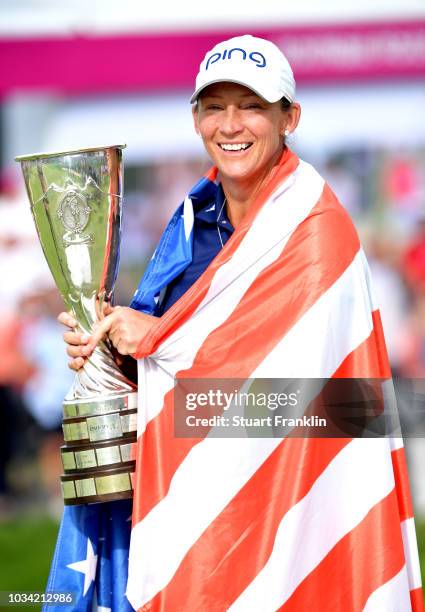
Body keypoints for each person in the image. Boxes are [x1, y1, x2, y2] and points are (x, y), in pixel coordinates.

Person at [50, 35, 423, 611]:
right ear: (195, 118)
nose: (231, 124)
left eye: (251, 106)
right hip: (194, 506)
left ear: (289, 117)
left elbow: (321, 405)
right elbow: (171, 353)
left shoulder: (318, 232)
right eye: (214, 106)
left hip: (294, 504)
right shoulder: (192, 218)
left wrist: (152, 343)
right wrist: (109, 352)